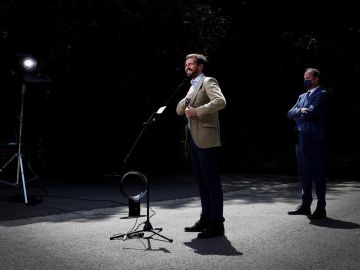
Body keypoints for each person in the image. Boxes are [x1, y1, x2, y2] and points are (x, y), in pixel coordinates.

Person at [176, 53, 226, 238]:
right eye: (186, 64)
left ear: (200, 67)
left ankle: (217, 224)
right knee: (202, 183)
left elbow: (220, 102)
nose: (187, 67)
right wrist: (187, 102)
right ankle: (206, 219)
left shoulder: (208, 81)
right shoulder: (191, 87)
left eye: (191, 64)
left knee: (212, 183)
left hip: (207, 139)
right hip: (193, 140)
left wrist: (197, 111)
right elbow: (179, 109)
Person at [287, 67, 329, 219]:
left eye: (309, 78)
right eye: (305, 77)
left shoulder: (322, 94)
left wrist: (301, 112)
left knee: (318, 174)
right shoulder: (301, 96)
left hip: (314, 140)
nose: (306, 80)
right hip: (300, 140)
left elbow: (312, 113)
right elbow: (289, 113)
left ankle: (321, 208)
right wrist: (300, 111)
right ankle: (305, 206)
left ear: (316, 79)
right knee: (304, 174)